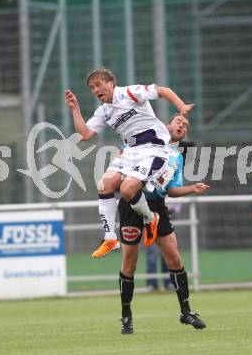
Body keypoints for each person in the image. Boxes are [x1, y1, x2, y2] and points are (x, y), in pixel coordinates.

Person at [65, 67, 194, 259]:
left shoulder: (130, 93)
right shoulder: (104, 112)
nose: (95, 89)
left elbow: (163, 91)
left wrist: (181, 106)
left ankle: (151, 219)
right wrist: (75, 109)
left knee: (127, 190)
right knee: (104, 184)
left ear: (111, 83)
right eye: (92, 87)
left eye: (98, 84)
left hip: (153, 148)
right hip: (131, 151)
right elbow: (85, 134)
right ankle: (110, 238)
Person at [118, 114, 209, 334]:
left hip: (157, 207)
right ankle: (126, 315)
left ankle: (185, 312)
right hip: (132, 206)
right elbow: (120, 164)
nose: (183, 125)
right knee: (130, 263)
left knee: (174, 258)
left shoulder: (176, 158)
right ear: (167, 125)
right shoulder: (143, 140)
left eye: (186, 125)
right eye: (179, 121)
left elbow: (170, 189)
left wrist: (191, 188)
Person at [146, 203, 181, 291]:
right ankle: (152, 284)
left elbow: (176, 196)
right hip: (150, 214)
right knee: (152, 253)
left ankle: (169, 282)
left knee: (168, 253)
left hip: (167, 214)